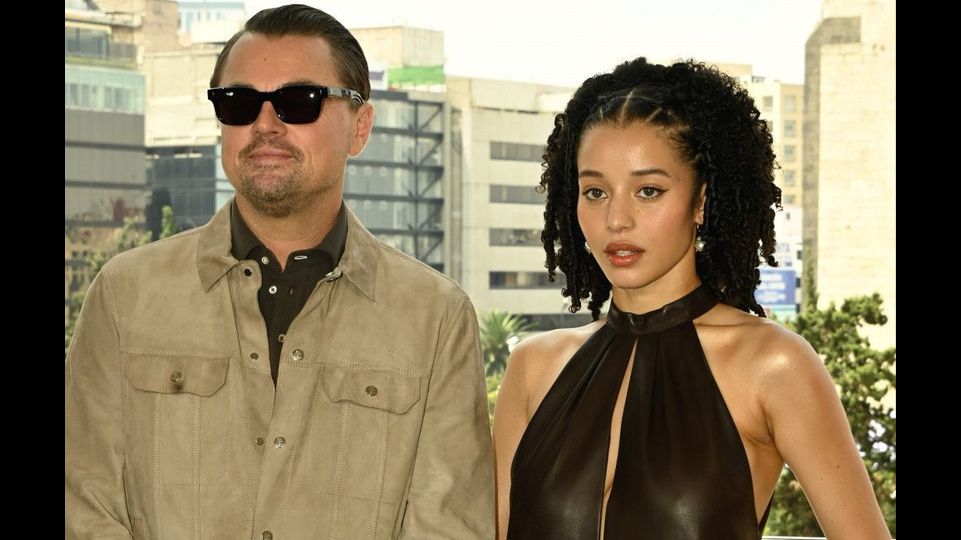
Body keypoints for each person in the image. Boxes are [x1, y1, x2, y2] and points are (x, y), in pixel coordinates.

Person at [65, 5, 494, 539]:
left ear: (360, 127)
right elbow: (82, 508)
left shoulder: (436, 319)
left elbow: (449, 527)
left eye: (298, 101)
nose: (265, 124)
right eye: (239, 103)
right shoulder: (125, 296)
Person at [492, 57, 891, 539]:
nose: (617, 220)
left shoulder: (773, 366)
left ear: (700, 201)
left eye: (648, 190)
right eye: (595, 192)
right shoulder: (534, 367)